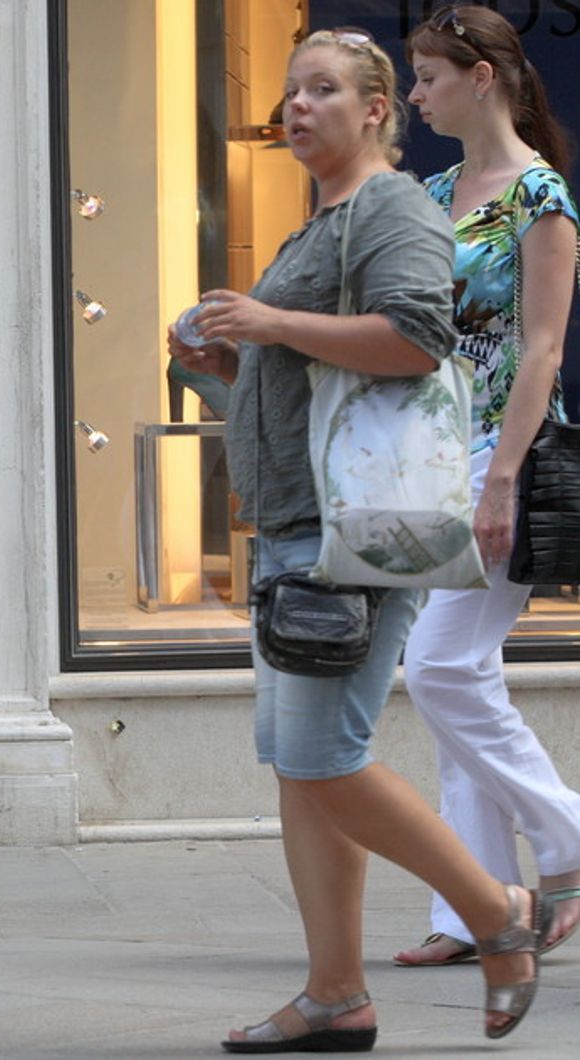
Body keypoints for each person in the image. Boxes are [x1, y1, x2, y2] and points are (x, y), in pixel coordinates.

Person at [168, 28, 553, 1050]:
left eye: (324, 90)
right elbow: (308, 384)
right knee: (300, 767)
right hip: (301, 524)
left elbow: (417, 339)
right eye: (291, 92)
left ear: (376, 110)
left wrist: (272, 323)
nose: (298, 106)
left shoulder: (390, 208)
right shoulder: (323, 223)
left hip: (353, 536)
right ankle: (336, 993)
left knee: (324, 755)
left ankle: (499, 909)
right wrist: (221, 358)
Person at [389, 4, 580, 970]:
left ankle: (569, 839)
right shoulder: (430, 190)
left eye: (426, 77)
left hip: (496, 454)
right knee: (457, 680)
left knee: (440, 669)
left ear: (482, 78)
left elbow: (542, 351)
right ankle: (472, 910)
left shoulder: (541, 198)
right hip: (429, 454)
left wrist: (500, 477)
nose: (414, 95)